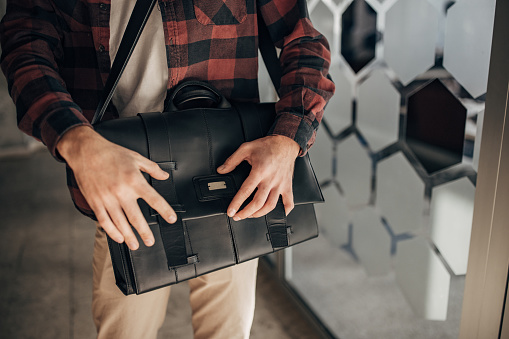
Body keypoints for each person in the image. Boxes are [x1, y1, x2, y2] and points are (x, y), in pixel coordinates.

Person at [1, 0, 334, 338]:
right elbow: (24, 43)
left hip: (232, 182)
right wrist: (74, 138)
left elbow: (304, 41)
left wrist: (287, 137)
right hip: (125, 191)